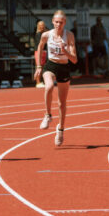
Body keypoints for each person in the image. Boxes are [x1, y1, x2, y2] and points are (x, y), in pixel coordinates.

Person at [34, 10, 78, 146]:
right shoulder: (46, 35)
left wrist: (65, 51)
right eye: (56, 22)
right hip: (50, 65)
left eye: (61, 22)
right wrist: (39, 67)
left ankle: (60, 130)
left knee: (61, 103)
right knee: (48, 86)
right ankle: (47, 115)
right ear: (52, 22)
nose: (58, 24)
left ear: (65, 23)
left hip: (64, 68)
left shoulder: (69, 36)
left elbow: (75, 60)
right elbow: (39, 48)